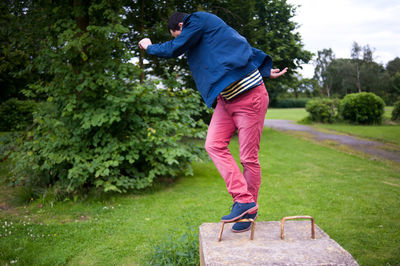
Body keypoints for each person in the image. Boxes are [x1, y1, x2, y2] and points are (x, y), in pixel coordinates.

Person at [139, 11, 287, 233]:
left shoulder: (197, 20)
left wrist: (149, 47)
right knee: (213, 145)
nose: (182, 40)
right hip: (226, 100)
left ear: (181, 25)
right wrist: (265, 69)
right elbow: (237, 44)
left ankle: (248, 212)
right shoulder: (209, 34)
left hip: (250, 98)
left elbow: (174, 48)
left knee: (248, 158)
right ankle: (244, 200)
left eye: (178, 34)